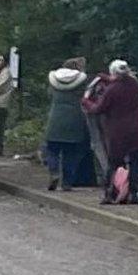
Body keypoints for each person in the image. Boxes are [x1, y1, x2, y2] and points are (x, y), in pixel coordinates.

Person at [82, 59, 138, 204]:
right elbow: (120, 81)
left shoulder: (112, 90)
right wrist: (108, 79)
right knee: (135, 162)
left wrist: (86, 102)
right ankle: (134, 193)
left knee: (115, 163)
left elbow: (98, 109)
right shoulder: (134, 84)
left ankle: (111, 193)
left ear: (113, 72)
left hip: (119, 132)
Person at [44, 57, 90, 191]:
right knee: (70, 153)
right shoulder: (82, 81)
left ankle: (54, 173)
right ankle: (67, 182)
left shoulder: (53, 80)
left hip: (55, 118)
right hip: (75, 118)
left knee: (52, 149)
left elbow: (49, 95)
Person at [83, 71, 112, 185]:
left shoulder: (96, 81)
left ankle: (105, 175)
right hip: (110, 117)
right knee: (108, 143)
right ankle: (108, 175)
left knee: (97, 144)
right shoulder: (123, 83)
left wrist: (86, 105)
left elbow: (86, 97)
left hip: (93, 115)